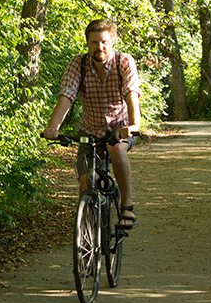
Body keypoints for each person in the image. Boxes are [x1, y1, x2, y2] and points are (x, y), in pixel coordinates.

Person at [41, 18, 142, 228]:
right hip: (90, 130)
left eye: (104, 42)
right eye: (94, 42)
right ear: (87, 43)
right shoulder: (79, 64)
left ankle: (127, 206)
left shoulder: (123, 62)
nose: (99, 47)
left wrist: (133, 126)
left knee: (116, 149)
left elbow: (131, 94)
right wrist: (53, 127)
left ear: (112, 42)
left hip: (119, 129)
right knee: (86, 181)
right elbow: (66, 96)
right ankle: (86, 234)